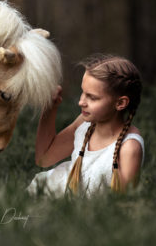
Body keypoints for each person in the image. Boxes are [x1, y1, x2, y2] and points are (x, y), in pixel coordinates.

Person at [27, 54, 144, 198]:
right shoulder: (84, 123)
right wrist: (49, 108)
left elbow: (123, 203)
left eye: (92, 97)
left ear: (120, 103)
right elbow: (44, 159)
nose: (81, 102)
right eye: (83, 92)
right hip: (53, 192)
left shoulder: (129, 147)